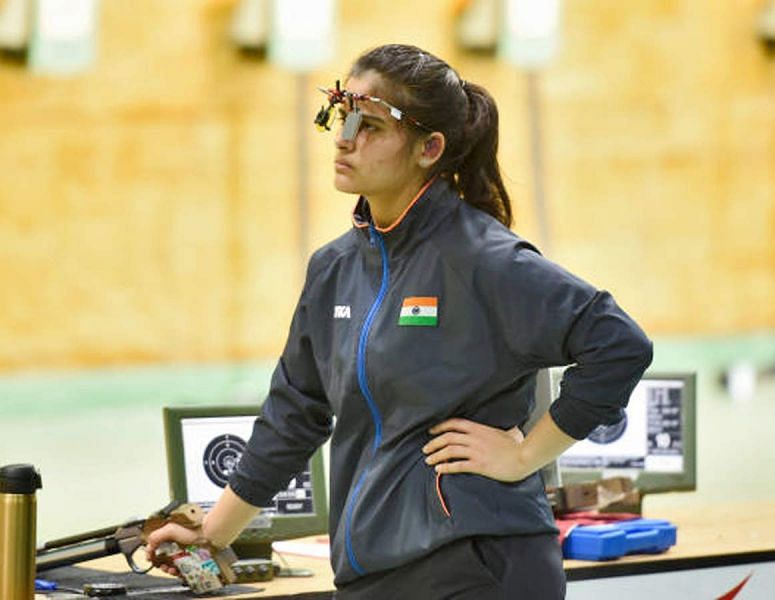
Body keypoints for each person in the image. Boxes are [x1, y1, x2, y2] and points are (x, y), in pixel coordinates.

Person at [146, 44, 652, 599]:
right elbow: (296, 411)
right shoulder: (334, 268)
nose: (345, 139)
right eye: (344, 118)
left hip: (480, 565)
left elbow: (618, 344)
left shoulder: (483, 259)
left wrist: (527, 453)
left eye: (370, 126)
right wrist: (213, 535)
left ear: (429, 148)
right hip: (375, 574)